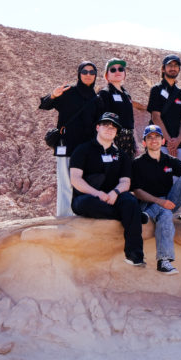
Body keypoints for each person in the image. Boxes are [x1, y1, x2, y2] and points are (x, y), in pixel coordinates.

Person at [69, 112, 145, 266]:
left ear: (117, 132)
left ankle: (134, 255)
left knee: (130, 201)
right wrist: (98, 194)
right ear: (97, 127)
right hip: (88, 197)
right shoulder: (82, 150)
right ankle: (131, 216)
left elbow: (125, 182)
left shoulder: (121, 155)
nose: (109, 129)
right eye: (105, 125)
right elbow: (75, 179)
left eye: (114, 127)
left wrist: (114, 193)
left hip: (113, 198)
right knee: (87, 204)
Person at [131, 125, 181, 275]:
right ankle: (163, 261)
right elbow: (137, 192)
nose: (154, 140)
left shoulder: (169, 160)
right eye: (150, 137)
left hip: (169, 200)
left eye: (157, 137)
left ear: (163, 140)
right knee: (165, 213)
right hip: (148, 203)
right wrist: (160, 202)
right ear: (144, 142)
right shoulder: (137, 163)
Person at [39, 61, 102, 217]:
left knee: (82, 183)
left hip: (86, 148)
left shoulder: (97, 98)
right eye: (85, 72)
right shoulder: (69, 92)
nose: (88, 75)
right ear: (79, 74)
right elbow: (44, 105)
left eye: (92, 72)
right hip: (66, 144)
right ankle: (64, 217)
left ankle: (79, 215)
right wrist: (53, 95)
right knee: (65, 182)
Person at [147, 54, 181, 165]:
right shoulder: (156, 89)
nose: (173, 68)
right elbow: (155, 117)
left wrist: (178, 140)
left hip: (179, 144)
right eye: (169, 65)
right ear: (163, 68)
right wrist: (168, 141)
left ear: (179, 69)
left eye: (176, 65)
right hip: (160, 142)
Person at [98, 58, 137, 156]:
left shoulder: (127, 94)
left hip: (129, 140)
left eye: (120, 69)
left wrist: (135, 142)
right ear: (107, 75)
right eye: (113, 69)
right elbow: (103, 120)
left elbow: (131, 120)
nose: (117, 71)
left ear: (124, 73)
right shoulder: (104, 93)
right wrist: (110, 143)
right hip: (113, 139)